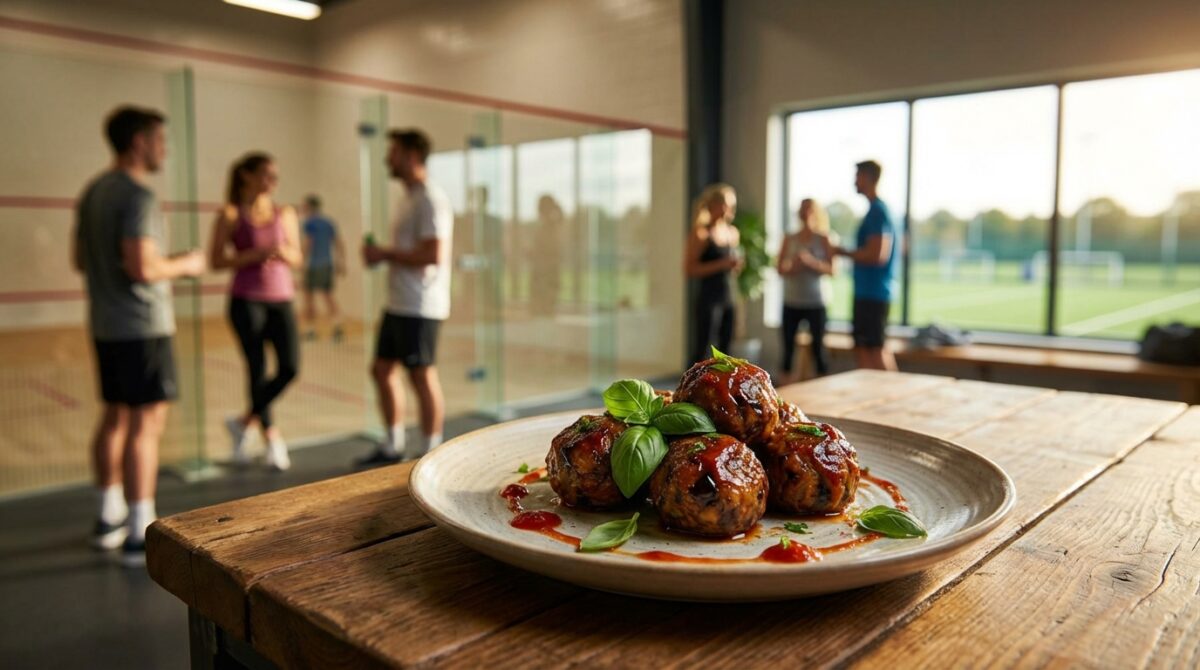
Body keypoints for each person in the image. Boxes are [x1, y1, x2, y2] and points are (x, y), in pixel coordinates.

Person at [72, 106, 206, 566]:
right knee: (145, 426)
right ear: (138, 143)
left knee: (115, 417)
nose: (164, 148)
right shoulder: (138, 197)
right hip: (142, 328)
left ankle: (107, 517)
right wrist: (187, 265)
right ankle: (137, 532)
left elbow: (79, 258)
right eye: (158, 139)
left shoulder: (93, 193)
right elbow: (143, 268)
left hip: (108, 326)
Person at [357, 128, 454, 466]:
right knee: (382, 370)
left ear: (411, 155)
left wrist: (384, 254)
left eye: (394, 152)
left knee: (421, 375)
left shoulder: (429, 198)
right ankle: (392, 444)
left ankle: (431, 451)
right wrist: (384, 253)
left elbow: (433, 254)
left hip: (421, 306)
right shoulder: (408, 197)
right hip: (399, 304)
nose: (388, 158)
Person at [208, 153, 303, 471]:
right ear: (246, 176)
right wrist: (253, 255)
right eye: (266, 175)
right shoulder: (231, 214)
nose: (272, 182)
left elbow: (297, 256)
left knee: (290, 367)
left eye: (275, 177)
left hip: (281, 299)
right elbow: (216, 260)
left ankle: (243, 422)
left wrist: (282, 253)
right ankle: (273, 439)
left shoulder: (284, 212)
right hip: (246, 300)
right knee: (257, 369)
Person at [834, 160, 899, 371]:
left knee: (874, 349)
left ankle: (894, 398)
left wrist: (841, 251)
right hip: (867, 293)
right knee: (865, 348)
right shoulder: (875, 210)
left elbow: (877, 254)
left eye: (857, 176)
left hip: (874, 294)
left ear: (869, 178)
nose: (854, 181)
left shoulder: (878, 211)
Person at [777, 198, 836, 381]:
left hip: (816, 302)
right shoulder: (789, 238)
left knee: (819, 350)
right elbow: (780, 269)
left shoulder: (824, 238)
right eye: (802, 209)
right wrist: (794, 265)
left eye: (809, 209)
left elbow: (832, 269)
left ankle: (821, 389)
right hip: (792, 301)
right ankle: (783, 394)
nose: (805, 213)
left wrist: (811, 263)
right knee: (787, 350)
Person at [685, 183, 742, 363]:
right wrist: (721, 264)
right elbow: (689, 269)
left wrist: (734, 266)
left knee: (726, 352)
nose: (729, 209)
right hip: (708, 299)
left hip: (729, 297)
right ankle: (689, 389)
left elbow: (732, 270)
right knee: (703, 349)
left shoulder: (732, 233)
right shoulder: (701, 233)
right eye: (725, 204)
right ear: (713, 205)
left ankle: (720, 390)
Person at [300, 194, 346, 341]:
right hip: (327, 264)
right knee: (328, 296)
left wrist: (301, 261)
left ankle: (311, 331)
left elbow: (308, 243)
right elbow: (339, 242)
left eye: (305, 205)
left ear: (310, 206)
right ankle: (338, 327)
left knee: (309, 297)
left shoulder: (309, 223)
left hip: (314, 265)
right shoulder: (328, 223)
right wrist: (341, 262)